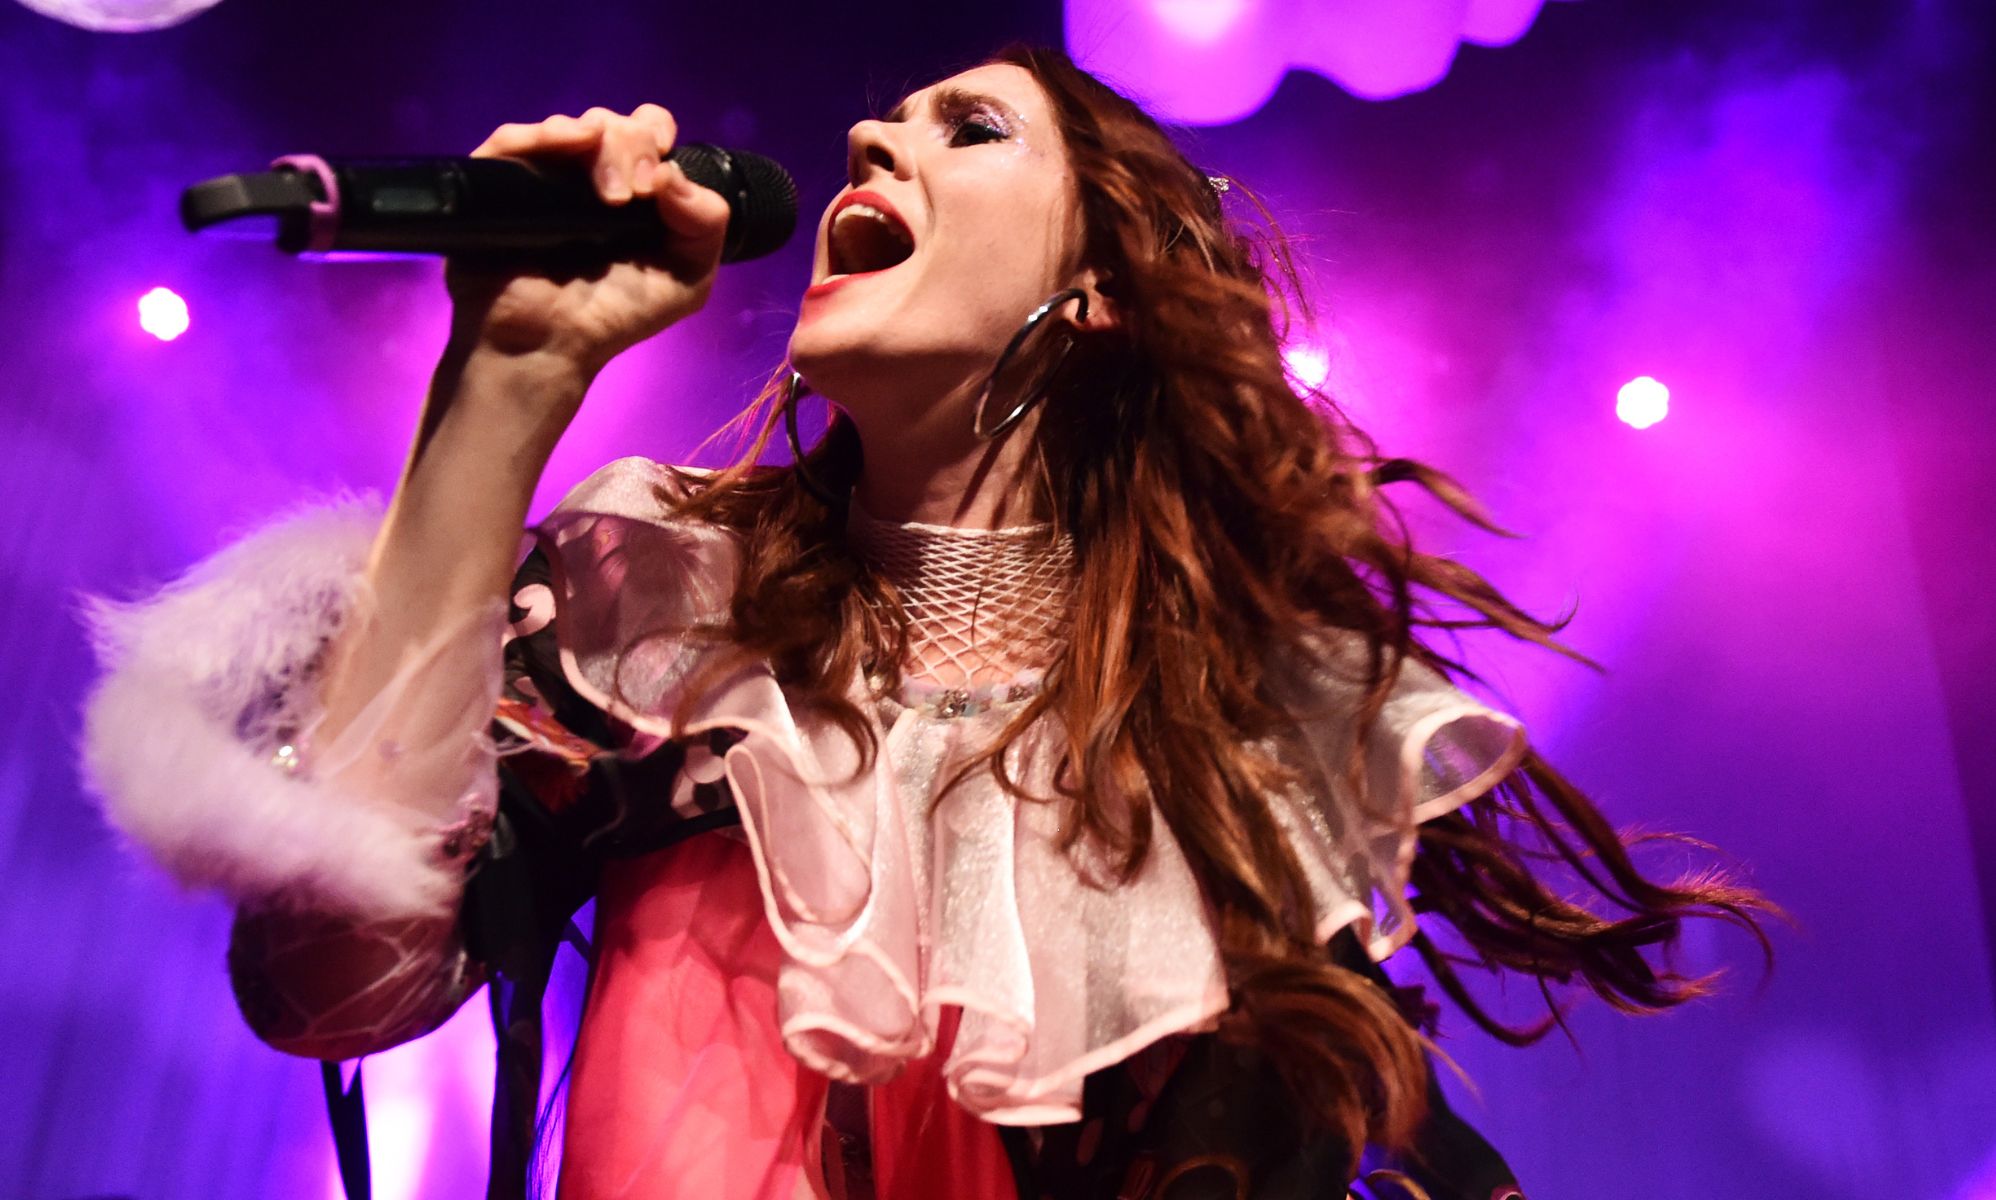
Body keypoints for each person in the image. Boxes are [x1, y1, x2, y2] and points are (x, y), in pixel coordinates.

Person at [82, 44, 1768, 1200]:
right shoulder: (668, 615)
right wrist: (505, 384)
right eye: (883, 125)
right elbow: (326, 986)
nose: (873, 144)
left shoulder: (1252, 755)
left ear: (1093, 297)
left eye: (969, 128)